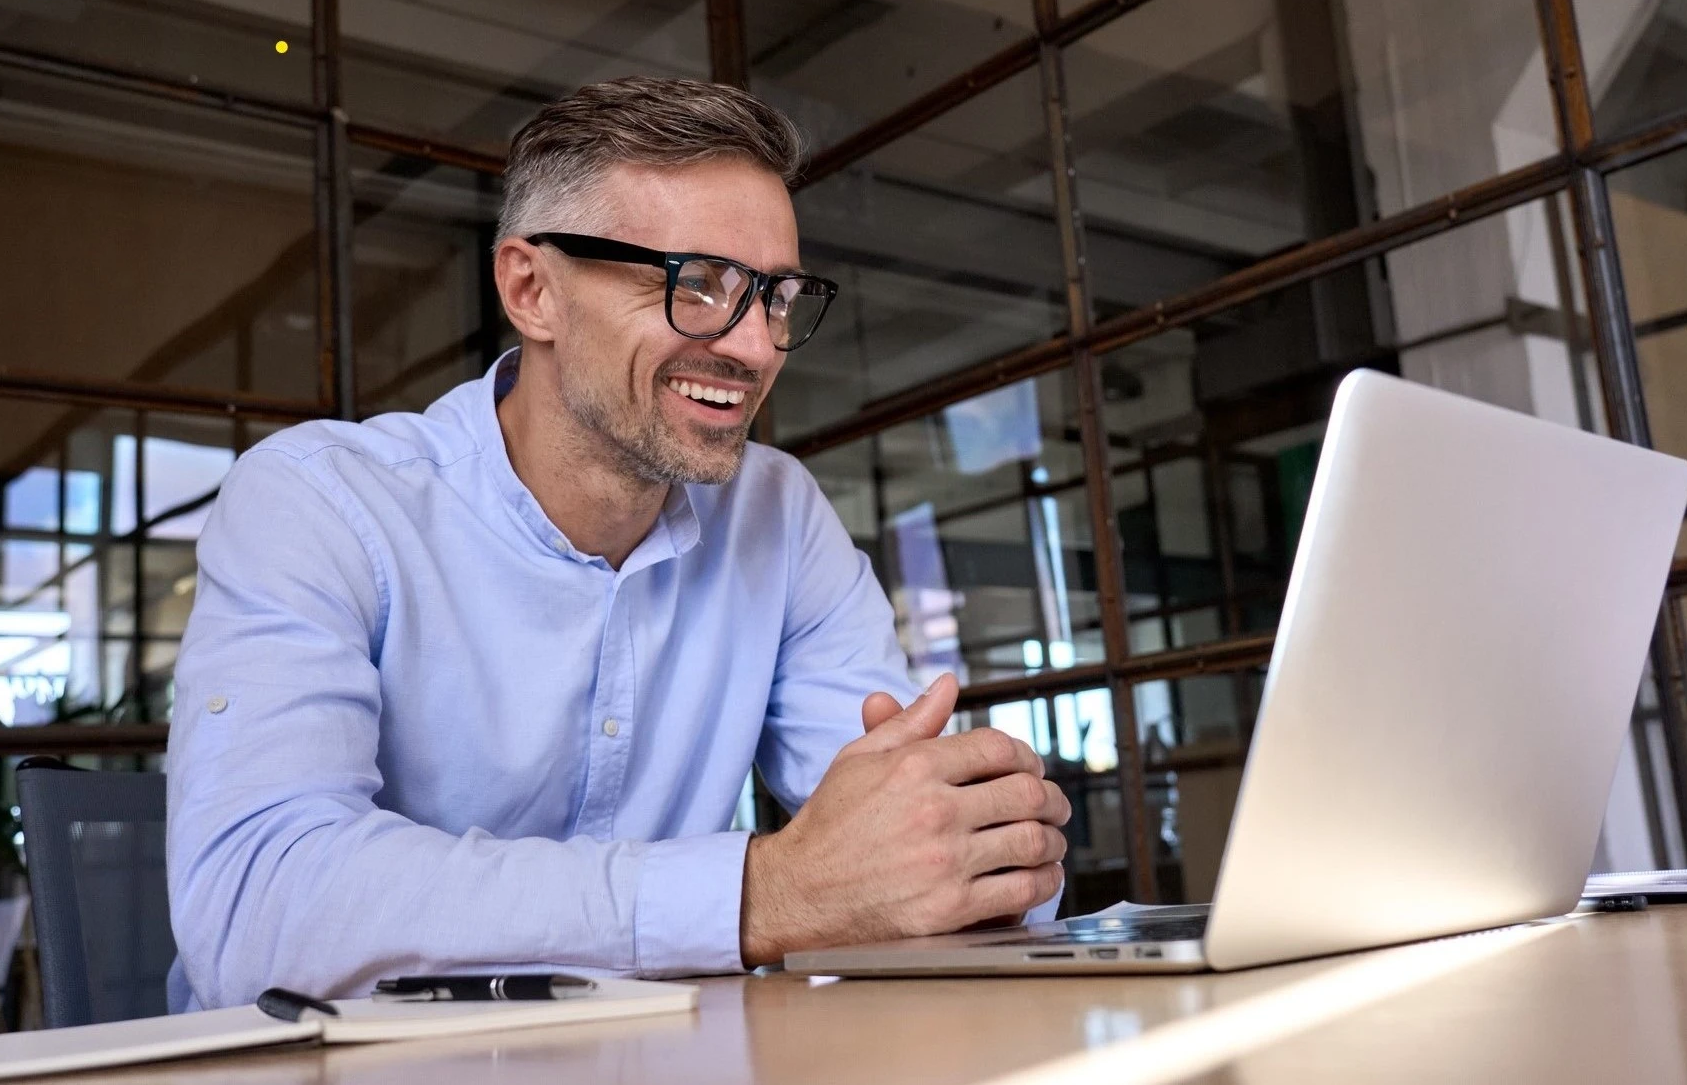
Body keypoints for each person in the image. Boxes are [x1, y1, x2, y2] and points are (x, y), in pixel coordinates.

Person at [165, 77, 1070, 1010]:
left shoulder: (777, 514)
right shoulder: (321, 500)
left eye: (775, 295)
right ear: (532, 290)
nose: (756, 348)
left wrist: (978, 845)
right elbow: (254, 907)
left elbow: (905, 854)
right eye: (697, 285)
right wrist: (762, 893)